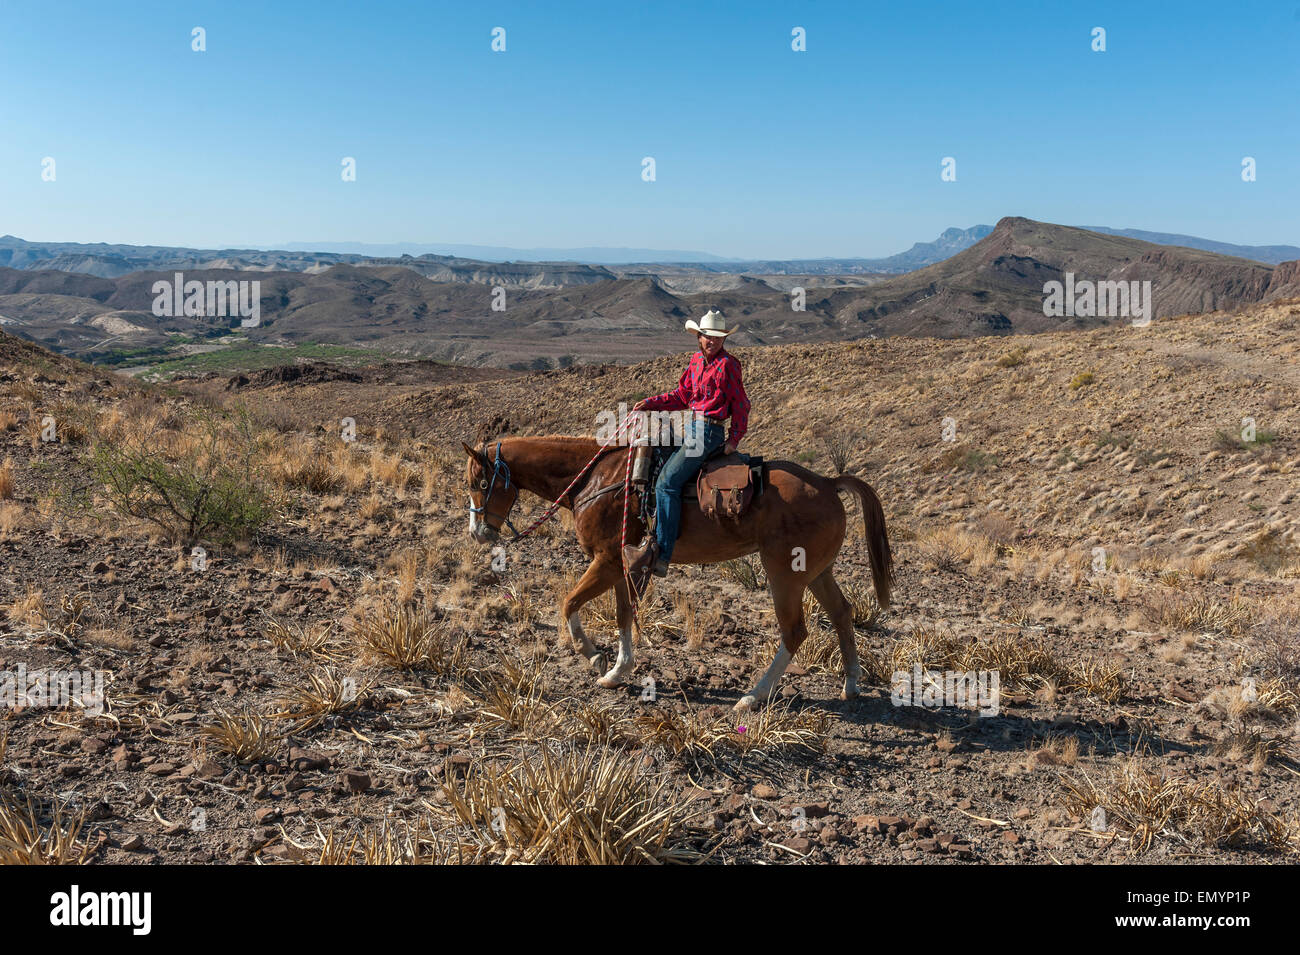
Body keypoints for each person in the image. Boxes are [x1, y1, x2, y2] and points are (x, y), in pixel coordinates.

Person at [625, 308, 750, 584]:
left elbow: (741, 404)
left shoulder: (729, 365)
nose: (711, 341)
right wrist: (651, 403)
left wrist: (734, 439)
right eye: (707, 336)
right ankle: (650, 527)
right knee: (655, 457)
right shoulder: (695, 361)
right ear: (699, 336)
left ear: (723, 340)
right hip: (690, 425)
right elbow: (682, 395)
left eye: (717, 337)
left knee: (667, 482)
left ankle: (662, 554)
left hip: (708, 432)